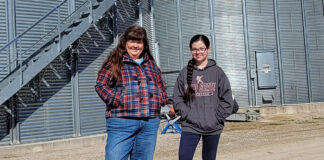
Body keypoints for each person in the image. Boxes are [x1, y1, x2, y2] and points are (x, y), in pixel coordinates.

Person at [95, 25, 168, 160]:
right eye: (132, 41)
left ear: (144, 44)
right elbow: (101, 85)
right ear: (125, 42)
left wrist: (161, 98)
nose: (135, 45)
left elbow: (160, 84)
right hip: (122, 120)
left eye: (139, 42)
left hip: (149, 122)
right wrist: (118, 99)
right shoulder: (115, 61)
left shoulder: (151, 63)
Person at [173, 34, 234, 160]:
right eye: (195, 49)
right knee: (184, 157)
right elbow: (178, 98)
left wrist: (217, 118)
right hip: (191, 125)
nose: (198, 52)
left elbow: (227, 99)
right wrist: (188, 115)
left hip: (213, 126)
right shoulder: (184, 73)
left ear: (208, 49)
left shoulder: (217, 72)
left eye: (202, 48)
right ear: (191, 51)